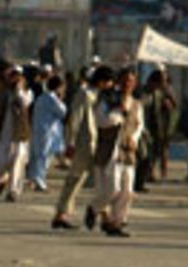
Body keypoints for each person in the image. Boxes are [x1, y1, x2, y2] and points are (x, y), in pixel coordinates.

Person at [52, 66, 111, 231]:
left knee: (103, 180)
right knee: (75, 178)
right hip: (83, 143)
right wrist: (70, 143)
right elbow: (75, 119)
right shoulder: (84, 94)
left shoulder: (102, 96)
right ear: (101, 81)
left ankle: (104, 215)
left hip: (98, 143)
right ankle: (61, 214)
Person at [93, 66, 145, 238]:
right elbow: (101, 121)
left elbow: (139, 125)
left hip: (127, 150)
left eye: (130, 81)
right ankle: (95, 208)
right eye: (124, 81)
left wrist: (134, 139)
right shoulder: (107, 100)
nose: (127, 84)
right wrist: (118, 114)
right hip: (110, 148)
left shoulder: (136, 103)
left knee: (127, 190)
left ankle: (117, 222)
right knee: (112, 189)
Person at [0, 65, 33, 201]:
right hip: (3, 134)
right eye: (13, 75)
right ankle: (3, 178)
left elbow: (24, 103)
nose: (15, 78)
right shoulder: (3, 93)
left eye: (18, 76)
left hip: (19, 135)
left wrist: (19, 89)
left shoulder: (26, 93)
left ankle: (13, 191)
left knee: (17, 163)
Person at [28, 73, 66, 193]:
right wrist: (61, 99)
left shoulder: (41, 97)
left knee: (38, 156)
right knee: (43, 157)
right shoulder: (52, 98)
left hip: (40, 130)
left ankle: (34, 178)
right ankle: (39, 182)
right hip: (48, 132)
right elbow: (62, 112)